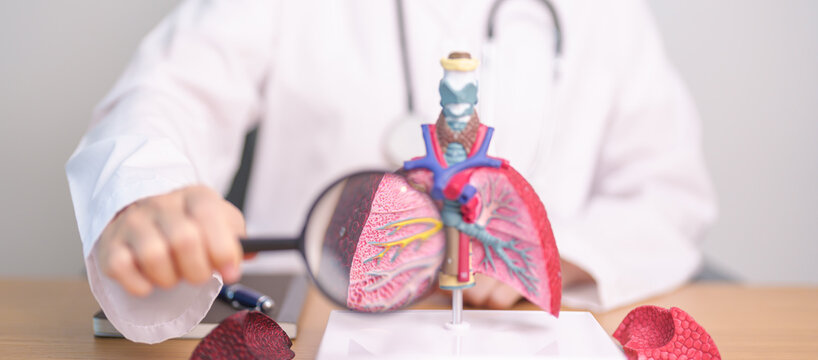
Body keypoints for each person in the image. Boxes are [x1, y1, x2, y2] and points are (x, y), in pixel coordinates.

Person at [66, 0, 716, 344]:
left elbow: (670, 194)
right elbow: (168, 91)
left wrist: (548, 254)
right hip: (313, 322)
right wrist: (147, 189)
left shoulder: (609, 13)